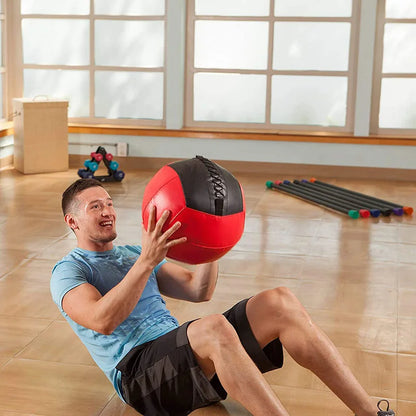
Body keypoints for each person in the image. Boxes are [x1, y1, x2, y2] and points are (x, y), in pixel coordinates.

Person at [51, 178, 395, 416]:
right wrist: (146, 261)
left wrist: (212, 241)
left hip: (181, 360)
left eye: (109, 203)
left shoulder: (130, 253)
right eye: (96, 207)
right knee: (213, 327)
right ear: (73, 221)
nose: (108, 211)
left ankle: (366, 410)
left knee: (279, 300)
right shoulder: (69, 270)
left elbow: (198, 290)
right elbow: (102, 320)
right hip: (140, 378)